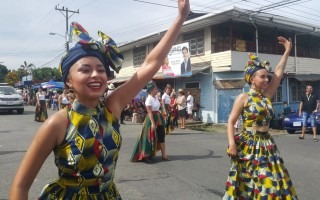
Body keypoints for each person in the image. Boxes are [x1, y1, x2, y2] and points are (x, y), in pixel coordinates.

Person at [10, 1, 190, 198]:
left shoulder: (112, 107)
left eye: (101, 69)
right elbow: (20, 186)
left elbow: (151, 64)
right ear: (69, 81)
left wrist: (180, 18)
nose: (95, 74)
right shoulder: (59, 123)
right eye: (85, 70)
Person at [223, 37, 298, 199]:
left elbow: (278, 73)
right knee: (249, 183)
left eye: (267, 77)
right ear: (252, 79)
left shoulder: (266, 96)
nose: (267, 79)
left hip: (267, 144)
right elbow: (231, 122)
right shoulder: (243, 98)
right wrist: (232, 144)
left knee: (271, 182)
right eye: (262, 77)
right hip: (248, 144)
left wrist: (287, 51)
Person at [130, 81, 169, 162]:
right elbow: (149, 112)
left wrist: (163, 112)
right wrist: (153, 123)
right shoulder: (148, 99)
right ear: (151, 90)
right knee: (148, 137)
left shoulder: (156, 98)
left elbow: (159, 107)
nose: (157, 90)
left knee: (161, 135)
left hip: (158, 117)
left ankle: (164, 154)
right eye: (155, 89)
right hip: (151, 119)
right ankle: (145, 156)